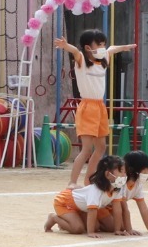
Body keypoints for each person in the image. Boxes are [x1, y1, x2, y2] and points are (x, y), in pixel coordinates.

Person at [56, 31, 133, 185]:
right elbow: (75, 51)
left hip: (100, 107)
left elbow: (111, 49)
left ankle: (88, 180)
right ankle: (72, 182)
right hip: (87, 107)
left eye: (103, 44)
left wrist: (123, 47)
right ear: (88, 47)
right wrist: (66, 46)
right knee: (86, 149)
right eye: (98, 44)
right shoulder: (82, 61)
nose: (102, 47)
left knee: (101, 147)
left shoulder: (103, 60)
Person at [44, 154, 123, 234]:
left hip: (82, 207)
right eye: (121, 172)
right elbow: (92, 210)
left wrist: (117, 230)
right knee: (77, 229)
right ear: (107, 174)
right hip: (65, 202)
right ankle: (54, 218)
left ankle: (70, 220)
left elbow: (117, 210)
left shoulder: (116, 189)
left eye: (125, 172)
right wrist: (91, 232)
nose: (125, 176)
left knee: (96, 226)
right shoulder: (96, 190)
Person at [97, 152, 148, 235]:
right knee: (113, 227)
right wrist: (129, 229)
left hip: (113, 208)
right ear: (132, 170)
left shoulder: (138, 184)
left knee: (121, 226)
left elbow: (143, 208)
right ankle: (92, 221)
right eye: (144, 171)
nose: (147, 174)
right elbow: (124, 209)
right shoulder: (121, 184)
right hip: (101, 207)